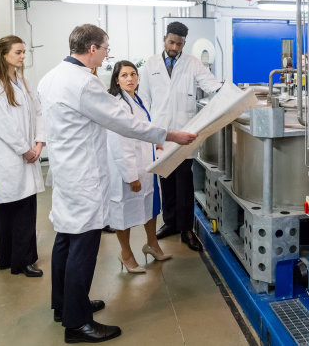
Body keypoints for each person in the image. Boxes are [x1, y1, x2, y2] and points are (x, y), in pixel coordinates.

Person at [38, 24, 196, 344]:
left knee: (65, 241)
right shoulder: (84, 83)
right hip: (84, 176)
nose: (107, 54)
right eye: (105, 48)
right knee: (83, 248)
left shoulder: (51, 76)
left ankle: (65, 305)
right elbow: (122, 121)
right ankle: (77, 324)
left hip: (66, 174)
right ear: (92, 48)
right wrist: (170, 135)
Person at [139, 21, 221, 251]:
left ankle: (186, 229)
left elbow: (211, 85)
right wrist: (148, 131)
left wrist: (227, 92)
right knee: (165, 181)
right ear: (164, 39)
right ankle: (171, 223)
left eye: (180, 43)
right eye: (172, 42)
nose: (175, 47)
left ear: (185, 43)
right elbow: (144, 99)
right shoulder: (151, 64)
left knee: (184, 184)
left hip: (184, 134)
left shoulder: (192, 63)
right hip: (161, 134)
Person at [0, 35, 45, 278]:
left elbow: (39, 112)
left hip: (27, 154)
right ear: (4, 54)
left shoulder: (22, 82)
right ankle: (10, 259)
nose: (22, 56)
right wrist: (24, 149)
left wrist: (39, 143)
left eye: (23, 52)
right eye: (18, 52)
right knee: (10, 211)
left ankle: (23, 259)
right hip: (10, 157)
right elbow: (2, 125)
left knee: (25, 210)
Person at [107, 60, 172, 274]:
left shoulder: (139, 99)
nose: (130, 78)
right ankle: (125, 253)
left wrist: (156, 141)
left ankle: (152, 244)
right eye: (124, 75)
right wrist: (130, 175)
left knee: (151, 206)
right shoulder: (117, 104)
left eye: (133, 74)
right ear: (116, 79)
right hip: (128, 168)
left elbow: (144, 128)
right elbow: (119, 143)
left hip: (146, 165)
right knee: (123, 211)